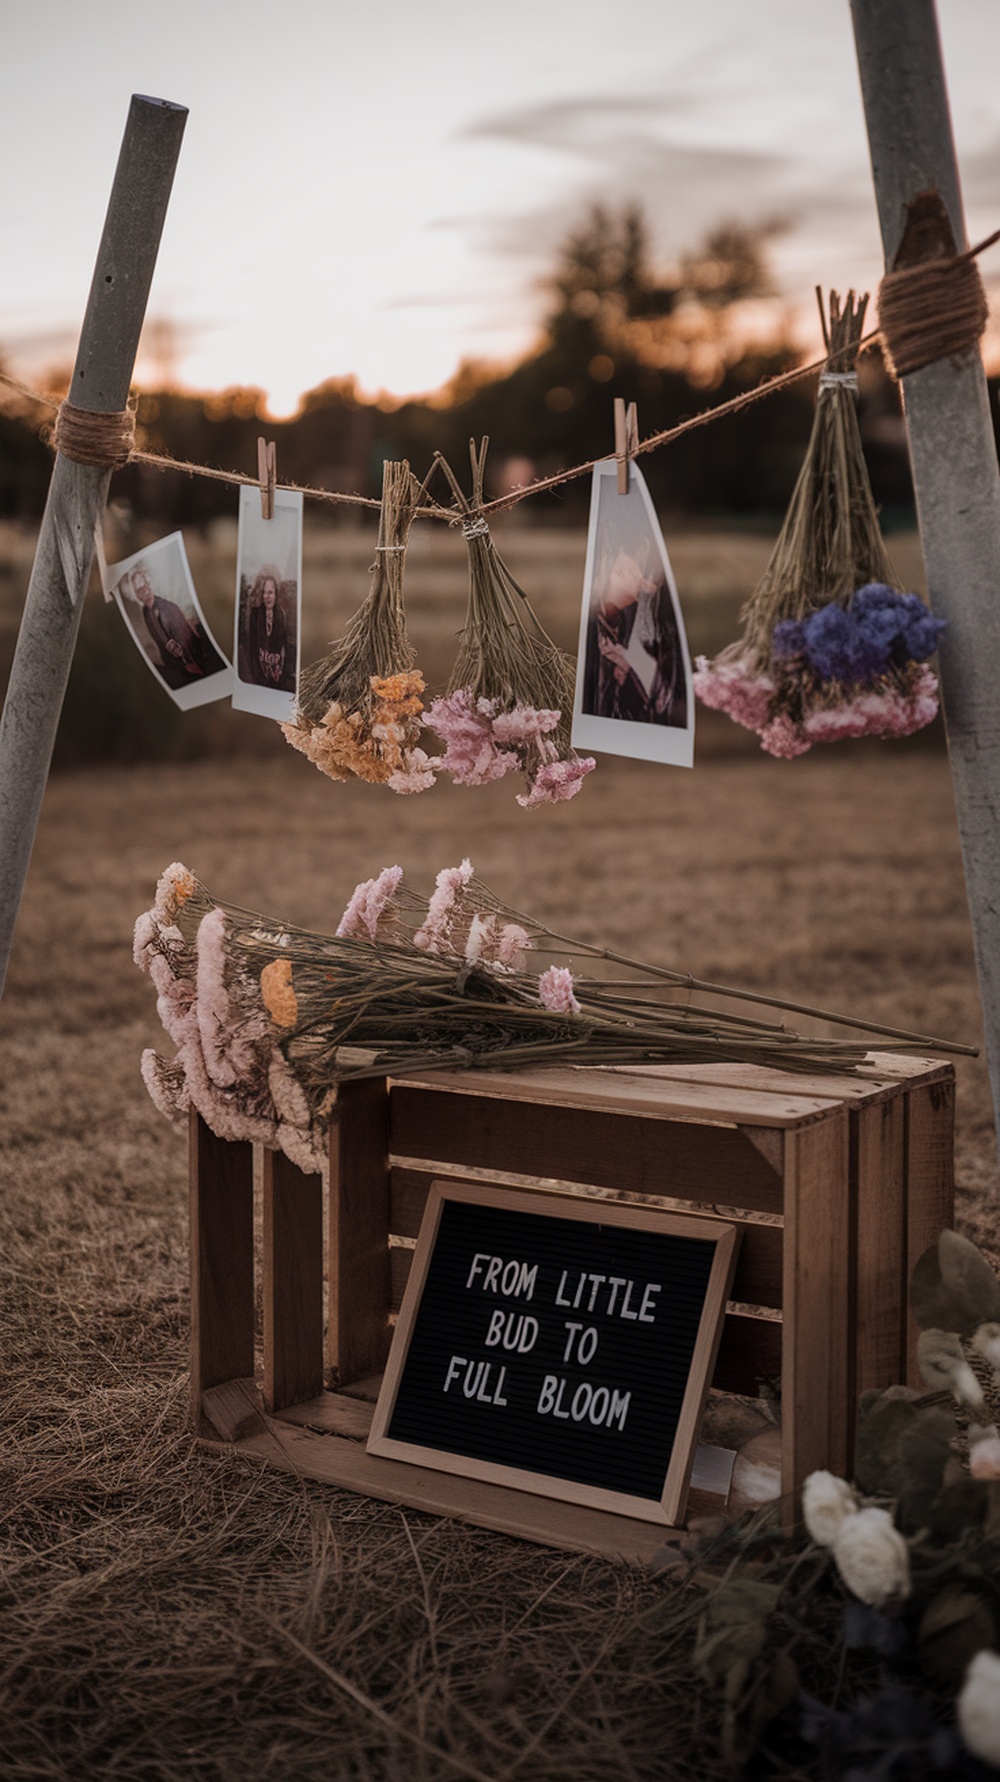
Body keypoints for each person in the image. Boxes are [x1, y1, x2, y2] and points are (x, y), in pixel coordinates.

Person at [582, 545, 686, 727]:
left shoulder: (649, 624)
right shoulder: (602, 620)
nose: (640, 575)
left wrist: (628, 665)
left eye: (638, 566)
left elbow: (663, 697)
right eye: (634, 566)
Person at [130, 563, 220, 690]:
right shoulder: (146, 610)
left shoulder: (167, 609)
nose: (141, 591)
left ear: (148, 586)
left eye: (142, 586)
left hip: (192, 663)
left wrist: (188, 663)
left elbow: (185, 639)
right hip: (175, 665)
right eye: (137, 589)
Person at [245, 568, 294, 690]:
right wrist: (256, 676)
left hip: (279, 675)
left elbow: (286, 646)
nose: (267, 597)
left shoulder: (282, 615)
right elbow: (252, 648)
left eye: (270, 592)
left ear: (276, 595)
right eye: (264, 593)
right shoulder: (255, 614)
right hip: (260, 675)